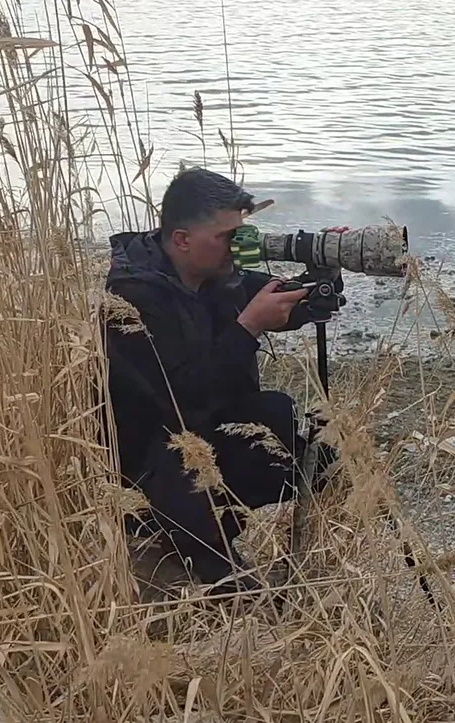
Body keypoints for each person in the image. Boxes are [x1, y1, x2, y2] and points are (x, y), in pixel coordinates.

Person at [101, 166, 339, 593]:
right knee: (183, 458)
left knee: (283, 422)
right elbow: (180, 401)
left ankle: (223, 539)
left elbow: (285, 300)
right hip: (149, 469)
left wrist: (319, 280)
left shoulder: (215, 276)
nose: (238, 247)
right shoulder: (132, 300)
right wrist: (248, 327)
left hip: (202, 439)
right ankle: (210, 572)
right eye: (227, 237)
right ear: (182, 240)